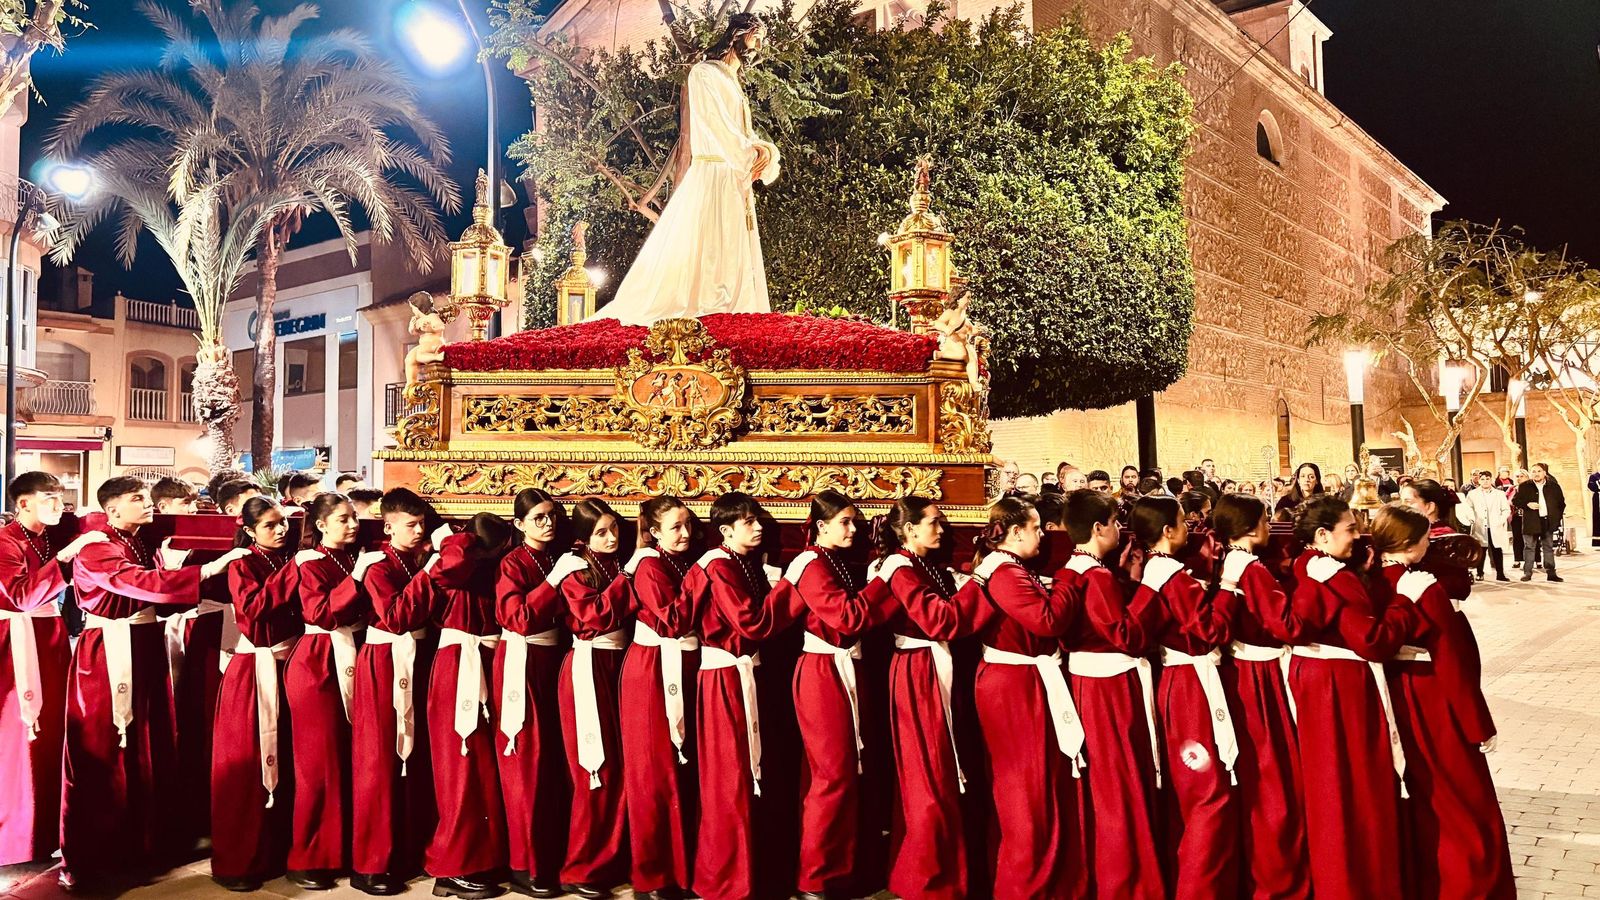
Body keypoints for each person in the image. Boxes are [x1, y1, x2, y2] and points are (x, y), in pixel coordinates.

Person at [61, 476, 245, 889]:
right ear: (111, 509)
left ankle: (143, 840)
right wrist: (213, 566)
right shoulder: (97, 547)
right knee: (109, 745)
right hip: (108, 651)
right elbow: (143, 584)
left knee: (152, 740)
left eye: (146, 498)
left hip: (143, 643)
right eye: (136, 499)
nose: (147, 504)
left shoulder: (138, 539)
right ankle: (98, 854)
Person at [593, 13, 779, 325]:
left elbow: (743, 134)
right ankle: (710, 314)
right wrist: (749, 153)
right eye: (755, 37)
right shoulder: (704, 74)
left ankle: (733, 317)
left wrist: (765, 152)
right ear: (737, 35)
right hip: (713, 176)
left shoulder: (732, 81)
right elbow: (718, 127)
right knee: (707, 253)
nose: (759, 46)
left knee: (732, 254)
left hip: (734, 180)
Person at [1370, 507, 1515, 899]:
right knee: (1466, 806)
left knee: (1422, 798)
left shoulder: (1368, 581)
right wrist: (1478, 724)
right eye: (1424, 538)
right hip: (1434, 699)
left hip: (1392, 698)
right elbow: (1451, 661)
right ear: (1410, 545)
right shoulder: (1423, 586)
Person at [1286, 496, 1420, 899]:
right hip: (1341, 689)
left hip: (1317, 682)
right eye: (1350, 528)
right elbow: (1371, 641)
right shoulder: (1333, 576)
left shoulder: (1307, 566)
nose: (1358, 535)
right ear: (1322, 535)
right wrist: (1403, 603)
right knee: (1357, 791)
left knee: (1329, 788)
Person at [859, 497, 981, 899]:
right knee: (927, 776)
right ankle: (926, 879)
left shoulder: (925, 565)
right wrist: (979, 584)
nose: (942, 530)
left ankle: (939, 873)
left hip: (935, 667)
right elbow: (937, 619)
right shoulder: (901, 567)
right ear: (909, 529)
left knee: (941, 772)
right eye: (934, 522)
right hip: (917, 674)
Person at [968, 496, 1086, 899]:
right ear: (1016, 532)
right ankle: (1024, 887)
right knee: (1026, 792)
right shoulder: (1004, 571)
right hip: (1014, 689)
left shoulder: (1013, 569)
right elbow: (1046, 620)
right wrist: (1070, 580)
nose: (1043, 534)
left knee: (1038, 786)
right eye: (1036, 528)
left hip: (1024, 683)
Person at [685, 492, 799, 900]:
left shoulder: (741, 563)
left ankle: (748, 877)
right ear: (726, 530)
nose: (759, 527)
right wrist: (791, 587)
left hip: (746, 674)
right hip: (724, 679)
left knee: (748, 775)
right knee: (729, 779)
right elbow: (751, 622)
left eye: (758, 520)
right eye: (748, 522)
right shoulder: (719, 565)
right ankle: (725, 883)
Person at [783, 491, 896, 898]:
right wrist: (886, 580)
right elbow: (847, 617)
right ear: (821, 526)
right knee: (832, 775)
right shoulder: (812, 564)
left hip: (847, 667)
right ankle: (816, 878)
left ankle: (840, 871)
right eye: (845, 522)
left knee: (849, 773)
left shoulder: (837, 561)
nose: (853, 529)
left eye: (855, 522)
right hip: (823, 673)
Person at [1128, 495, 1240, 898]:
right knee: (1208, 795)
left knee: (1199, 796)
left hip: (1179, 682)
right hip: (1191, 686)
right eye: (1182, 521)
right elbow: (1209, 629)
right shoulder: (1170, 574)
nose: (1188, 529)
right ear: (1167, 531)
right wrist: (1229, 587)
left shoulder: (1161, 570)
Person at [1055, 489, 1164, 899]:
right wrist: (1150, 590)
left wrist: (1129, 582)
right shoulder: (1096, 576)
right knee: (1120, 784)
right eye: (1116, 522)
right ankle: (1130, 882)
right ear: (1098, 528)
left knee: (1108, 782)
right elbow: (1126, 635)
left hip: (1088, 682)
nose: (1121, 528)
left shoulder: (1077, 569)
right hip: (1110, 688)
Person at [0, 473, 105, 867]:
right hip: (16, 641)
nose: (58, 504)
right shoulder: (6, 540)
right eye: (48, 497)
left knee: (54, 732)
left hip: (51, 637)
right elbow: (23, 596)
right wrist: (66, 557)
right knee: (19, 734)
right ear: (23, 503)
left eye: (60, 497)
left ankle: (47, 830)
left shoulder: (50, 534)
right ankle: (16, 835)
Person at [343, 487, 441, 896]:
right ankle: (370, 864)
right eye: (410, 525)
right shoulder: (380, 565)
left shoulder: (411, 559)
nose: (419, 531)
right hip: (385, 662)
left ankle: (404, 851)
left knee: (414, 757)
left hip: (417, 657)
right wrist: (431, 572)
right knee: (378, 761)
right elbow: (397, 616)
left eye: (423, 525)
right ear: (388, 526)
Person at [1213, 493, 1309, 898]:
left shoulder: (1229, 561)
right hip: (1260, 677)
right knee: (1274, 778)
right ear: (1252, 527)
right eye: (1266, 519)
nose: (1271, 526)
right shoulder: (1250, 568)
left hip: (1244, 673)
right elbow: (1285, 625)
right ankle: (1278, 880)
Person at [418, 513, 516, 898]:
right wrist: (459, 538)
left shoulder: (489, 567)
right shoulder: (453, 563)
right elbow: (454, 567)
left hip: (486, 662)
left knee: (482, 772)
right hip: (460, 665)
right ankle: (452, 866)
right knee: (461, 770)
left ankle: (477, 858)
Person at [211, 496, 299, 891]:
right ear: (248, 530)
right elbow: (253, 608)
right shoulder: (242, 563)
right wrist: (296, 571)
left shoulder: (287, 557)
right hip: (254, 670)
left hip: (290, 665)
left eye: (283, 523)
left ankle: (276, 852)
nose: (281, 530)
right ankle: (239, 860)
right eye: (270, 525)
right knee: (248, 766)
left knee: (289, 760)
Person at [548, 499, 632, 898]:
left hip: (619, 667)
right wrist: (629, 578)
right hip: (589, 667)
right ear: (583, 536)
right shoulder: (573, 568)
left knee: (621, 769)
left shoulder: (615, 564)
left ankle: (609, 860)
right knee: (594, 769)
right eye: (601, 532)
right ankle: (581, 867)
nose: (612, 537)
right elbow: (595, 615)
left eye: (614, 528)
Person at [619, 497, 701, 900]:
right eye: (676, 527)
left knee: (678, 768)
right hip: (652, 669)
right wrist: (704, 578)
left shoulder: (681, 560)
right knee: (654, 773)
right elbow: (672, 620)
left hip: (682, 665)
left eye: (688, 525)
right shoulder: (651, 565)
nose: (686, 534)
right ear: (654, 532)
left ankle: (681, 870)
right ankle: (652, 876)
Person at [285, 492, 366, 891]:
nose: (352, 524)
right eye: (343, 519)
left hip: (354, 654)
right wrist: (358, 579)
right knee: (318, 762)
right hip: (318, 659)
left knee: (353, 757)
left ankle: (347, 850)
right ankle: (309, 856)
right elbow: (320, 613)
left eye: (354, 517)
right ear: (320, 525)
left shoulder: (353, 557)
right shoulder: (311, 562)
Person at [494, 489, 571, 898]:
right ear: (520, 524)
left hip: (552, 658)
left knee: (551, 763)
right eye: (538, 518)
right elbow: (517, 617)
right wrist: (555, 582)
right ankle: (525, 864)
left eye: (552, 515)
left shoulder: (554, 555)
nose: (547, 523)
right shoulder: (514, 561)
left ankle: (548, 857)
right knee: (525, 759)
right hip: (522, 661)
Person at [1513, 463, 1566, 582]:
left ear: (1544, 473)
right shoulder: (1524, 486)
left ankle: (1551, 573)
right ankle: (1527, 573)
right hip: (1531, 521)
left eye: (1539, 471)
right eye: (1533, 471)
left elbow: (1561, 504)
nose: (1536, 474)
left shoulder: (1554, 486)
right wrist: (1527, 504)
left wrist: (1556, 519)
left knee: (1548, 547)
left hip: (1547, 522)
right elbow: (1515, 501)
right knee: (1529, 547)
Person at [1465, 471, 1513, 582]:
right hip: (1480, 525)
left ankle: (1500, 574)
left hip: (1495, 526)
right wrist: (1471, 518)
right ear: (1479, 480)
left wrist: (1500, 520)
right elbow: (1468, 508)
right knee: (1480, 550)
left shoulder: (1499, 494)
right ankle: (1480, 573)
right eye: (1482, 479)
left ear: (1491, 480)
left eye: (1487, 479)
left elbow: (1506, 510)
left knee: (1497, 550)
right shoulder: (1473, 494)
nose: (1485, 481)